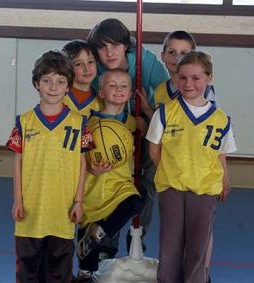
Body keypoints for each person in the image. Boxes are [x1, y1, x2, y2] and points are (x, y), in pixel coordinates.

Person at [146, 51, 237, 283]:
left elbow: (220, 154)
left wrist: (224, 179)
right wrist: (170, 172)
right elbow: (154, 150)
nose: (188, 83)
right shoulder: (165, 113)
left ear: (209, 78)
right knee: (170, 244)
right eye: (183, 77)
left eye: (196, 78)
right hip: (172, 189)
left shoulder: (220, 119)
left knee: (198, 246)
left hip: (205, 190)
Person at [6, 50, 93, 283]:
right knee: (27, 271)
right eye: (47, 80)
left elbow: (82, 163)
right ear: (37, 84)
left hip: (62, 213)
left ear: (68, 87)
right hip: (30, 214)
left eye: (60, 81)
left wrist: (78, 201)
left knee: (59, 272)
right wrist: (18, 200)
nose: (53, 87)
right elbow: (18, 162)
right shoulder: (24, 122)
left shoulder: (79, 123)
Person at [87, 17, 169, 258]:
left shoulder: (145, 61)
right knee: (109, 182)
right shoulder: (97, 70)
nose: (109, 52)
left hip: (144, 127)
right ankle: (105, 244)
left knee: (146, 185)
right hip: (112, 132)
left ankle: (137, 243)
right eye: (102, 47)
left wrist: (148, 116)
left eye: (115, 45)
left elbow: (167, 95)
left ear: (126, 46)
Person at [76, 69, 144, 283]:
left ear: (131, 92)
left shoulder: (132, 123)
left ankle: (100, 231)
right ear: (101, 93)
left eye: (124, 86)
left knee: (136, 203)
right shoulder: (88, 124)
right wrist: (90, 167)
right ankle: (84, 273)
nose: (118, 90)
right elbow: (79, 155)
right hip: (93, 187)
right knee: (90, 256)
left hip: (120, 185)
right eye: (112, 85)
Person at [154, 30, 215, 108]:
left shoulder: (203, 90)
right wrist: (147, 109)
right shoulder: (159, 91)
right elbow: (160, 118)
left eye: (184, 54)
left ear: (192, 57)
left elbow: (211, 117)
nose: (177, 57)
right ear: (163, 56)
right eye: (172, 52)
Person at [62, 39, 102, 117]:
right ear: (67, 68)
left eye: (90, 62)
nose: (86, 69)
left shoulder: (101, 100)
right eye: (78, 64)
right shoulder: (58, 96)